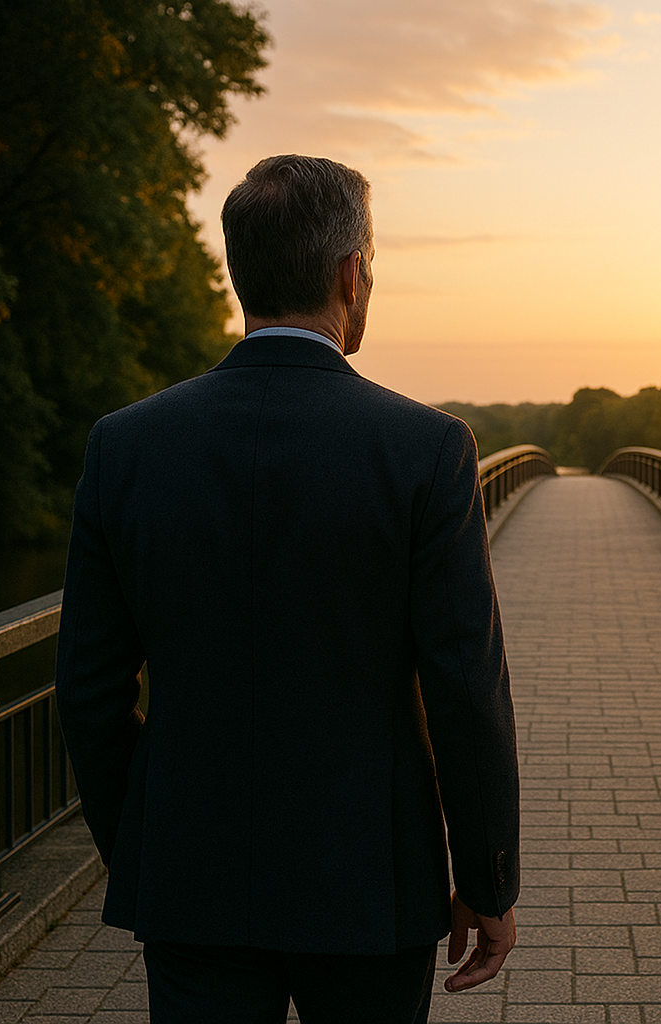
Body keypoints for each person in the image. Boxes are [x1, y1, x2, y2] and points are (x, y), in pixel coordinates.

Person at [55, 154, 519, 1023]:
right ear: (352, 274)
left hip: (190, 876)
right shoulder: (426, 450)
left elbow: (86, 690)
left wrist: (145, 849)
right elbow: (465, 690)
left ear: (241, 271)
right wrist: (488, 877)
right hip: (371, 883)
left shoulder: (125, 446)